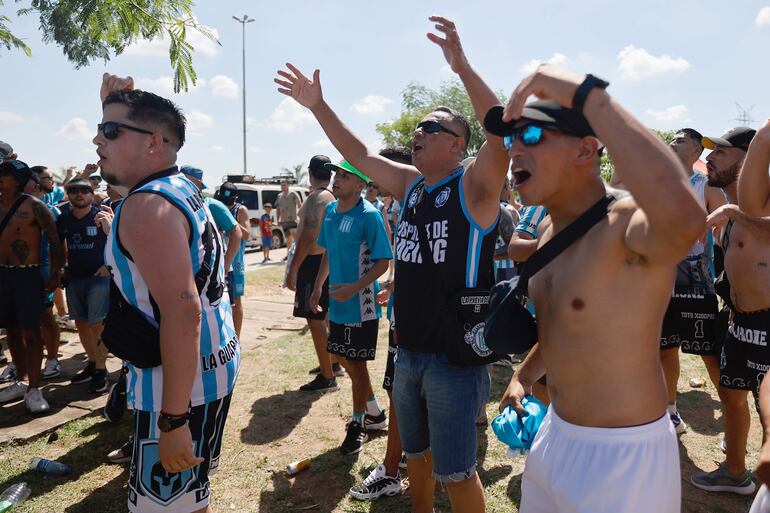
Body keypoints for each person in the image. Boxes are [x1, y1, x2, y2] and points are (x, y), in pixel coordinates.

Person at [275, 16, 508, 512]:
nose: (419, 132)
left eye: (433, 127)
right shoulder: (411, 184)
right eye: (419, 126)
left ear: (457, 145)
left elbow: (500, 136)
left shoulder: (474, 188)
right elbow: (357, 152)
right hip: (408, 350)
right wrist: (319, 106)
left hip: (455, 360)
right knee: (417, 459)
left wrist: (462, 67)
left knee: (458, 474)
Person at [493, 65, 705, 512]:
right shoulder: (551, 229)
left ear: (586, 149)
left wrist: (590, 97)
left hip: (623, 454)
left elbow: (686, 220)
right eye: (511, 140)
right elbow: (574, 326)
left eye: (532, 137)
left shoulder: (627, 224)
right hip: (555, 433)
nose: (513, 151)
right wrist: (525, 374)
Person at [95, 73, 240, 513]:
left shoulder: (146, 208)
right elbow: (128, 177)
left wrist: (173, 418)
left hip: (175, 388)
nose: (96, 140)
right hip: (211, 369)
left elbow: (183, 314)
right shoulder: (175, 187)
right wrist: (113, 108)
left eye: (109, 131)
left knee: (171, 507)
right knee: (189, 497)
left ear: (154, 143)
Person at [690, 126, 764, 495]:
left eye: (720, 151)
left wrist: (736, 211)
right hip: (739, 319)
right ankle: (735, 473)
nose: (709, 158)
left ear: (748, 158)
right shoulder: (727, 208)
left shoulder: (761, 199)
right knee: (731, 396)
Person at [310, 160, 392, 455]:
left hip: (362, 305)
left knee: (356, 365)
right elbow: (328, 251)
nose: (337, 179)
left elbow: (384, 261)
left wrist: (354, 289)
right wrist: (319, 286)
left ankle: (358, 425)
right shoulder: (331, 211)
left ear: (361, 185)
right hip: (338, 302)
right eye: (337, 175)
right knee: (344, 359)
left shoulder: (369, 216)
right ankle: (374, 411)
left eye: (345, 175)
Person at [349, 146, 412, 501]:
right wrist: (394, 286)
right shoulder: (400, 206)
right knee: (397, 388)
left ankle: (392, 469)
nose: (377, 177)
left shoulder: (411, 204)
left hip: (410, 321)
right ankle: (403, 455)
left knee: (400, 390)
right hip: (400, 311)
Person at [658, 128, 727, 435]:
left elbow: (727, 226)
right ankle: (671, 411)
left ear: (696, 152)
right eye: (673, 137)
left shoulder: (707, 185)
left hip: (697, 283)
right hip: (660, 281)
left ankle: (731, 411)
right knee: (665, 350)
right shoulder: (657, 182)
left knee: (709, 353)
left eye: (681, 139)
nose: (673, 140)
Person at [0, 160, 63, 413]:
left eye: (3, 175)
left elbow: (56, 241)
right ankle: (21, 379)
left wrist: (56, 273)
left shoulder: (35, 206)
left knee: (32, 332)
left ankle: (35, 389)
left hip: (29, 275)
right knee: (12, 331)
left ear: (16, 179)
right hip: (3, 275)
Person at [286, 155, 341, 391]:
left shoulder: (318, 198)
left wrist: (294, 269)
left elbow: (309, 237)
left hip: (314, 261)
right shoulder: (330, 196)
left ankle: (328, 377)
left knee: (315, 318)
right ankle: (332, 363)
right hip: (325, 261)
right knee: (324, 316)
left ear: (310, 172)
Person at [57, 178, 112, 393]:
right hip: (75, 278)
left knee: (97, 325)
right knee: (80, 323)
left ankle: (101, 370)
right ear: (68, 194)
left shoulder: (101, 215)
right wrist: (61, 268)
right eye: (74, 191)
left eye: (84, 191)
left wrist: (108, 266)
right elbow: (60, 245)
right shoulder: (64, 219)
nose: (79, 194)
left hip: (98, 278)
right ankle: (92, 362)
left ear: (92, 193)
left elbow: (117, 240)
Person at [26, 166, 64, 380]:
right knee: (22, 322)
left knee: (47, 317)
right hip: (18, 273)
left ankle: (52, 359)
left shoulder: (53, 212)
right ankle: (22, 364)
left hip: (43, 272)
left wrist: (57, 271)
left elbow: (59, 245)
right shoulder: (12, 208)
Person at [179, 166, 242, 279]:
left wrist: (226, 264)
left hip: (217, 272)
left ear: (197, 184)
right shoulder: (180, 205)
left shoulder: (212, 205)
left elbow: (236, 232)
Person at [214, 182, 250, 338]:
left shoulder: (240, 210)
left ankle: (237, 339)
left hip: (235, 265)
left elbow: (247, 235)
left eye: (228, 202)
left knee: (236, 303)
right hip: (218, 264)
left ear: (235, 199)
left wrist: (231, 221)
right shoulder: (215, 207)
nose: (225, 205)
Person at [276, 179, 301, 255]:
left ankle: (299, 254)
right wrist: (278, 219)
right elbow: (278, 209)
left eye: (284, 185)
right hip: (284, 221)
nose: (282, 187)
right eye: (281, 185)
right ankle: (289, 255)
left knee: (296, 238)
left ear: (288, 185)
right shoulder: (279, 196)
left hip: (292, 219)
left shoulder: (293, 194)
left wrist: (299, 216)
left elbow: (300, 205)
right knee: (288, 239)